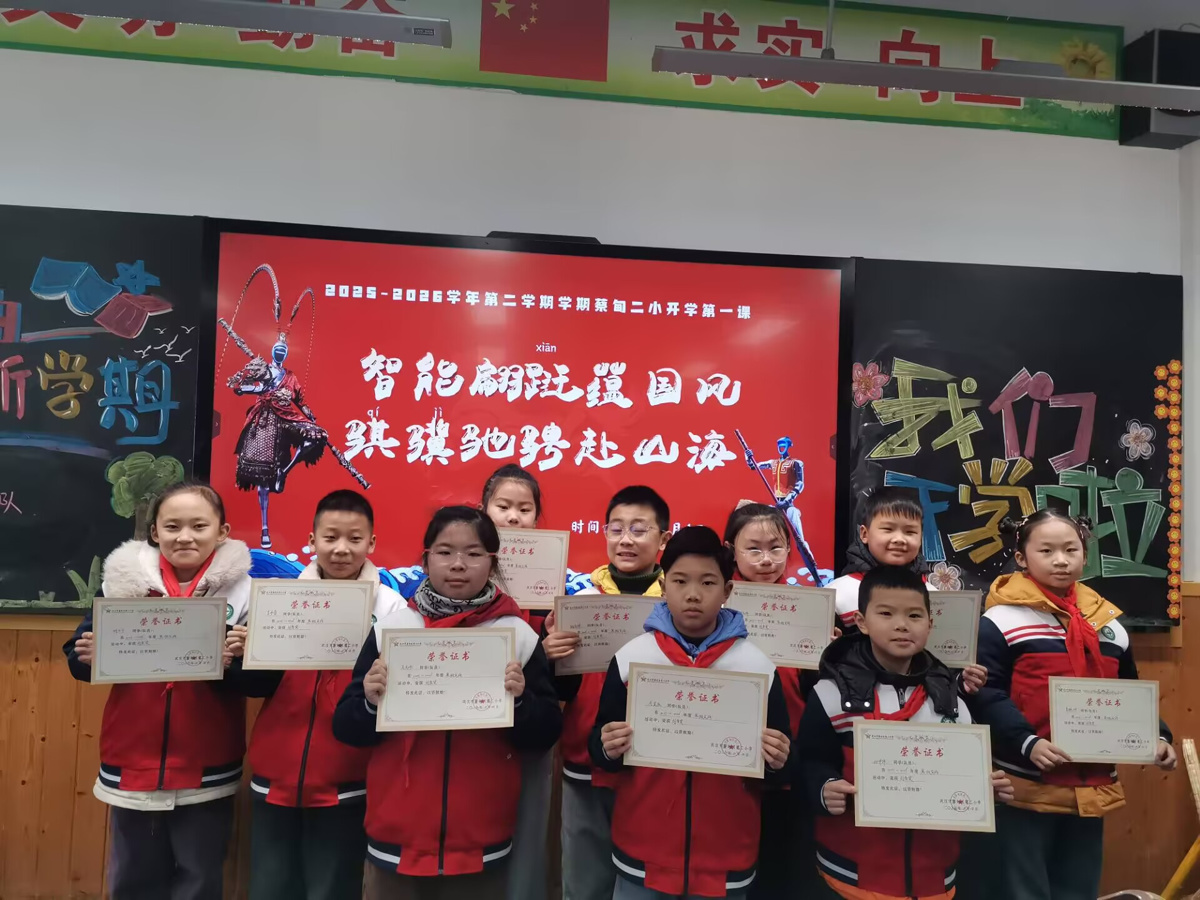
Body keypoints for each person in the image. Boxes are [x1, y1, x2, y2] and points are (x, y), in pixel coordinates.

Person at [332, 506, 562, 900]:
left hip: (481, 839)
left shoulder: (518, 636)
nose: (458, 564)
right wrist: (369, 701)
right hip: (396, 834)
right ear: (425, 560)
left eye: (473, 554)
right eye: (444, 552)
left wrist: (521, 702)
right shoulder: (392, 631)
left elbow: (545, 735)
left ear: (492, 563)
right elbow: (346, 726)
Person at [970, 510, 1176, 900]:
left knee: (1079, 890)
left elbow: (1128, 693)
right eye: (1046, 551)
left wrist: (1158, 735)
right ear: (1021, 557)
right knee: (1022, 891)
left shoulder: (1109, 623)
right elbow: (985, 693)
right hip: (1023, 784)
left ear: (1085, 555)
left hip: (1090, 785)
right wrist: (1027, 742)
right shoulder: (1000, 620)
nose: (1060, 560)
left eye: (1070, 549)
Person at [62, 481, 253, 900]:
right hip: (132, 757)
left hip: (207, 761)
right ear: (154, 533)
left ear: (222, 532)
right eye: (172, 526)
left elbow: (260, 683)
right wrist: (85, 655)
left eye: (199, 526)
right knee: (133, 877)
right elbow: (78, 657)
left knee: (200, 877)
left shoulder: (244, 594)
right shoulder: (122, 584)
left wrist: (235, 662)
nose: (185, 536)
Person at [590, 526, 792, 899]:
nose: (693, 594)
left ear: (727, 591)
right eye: (680, 581)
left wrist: (779, 760)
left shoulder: (757, 667)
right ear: (664, 585)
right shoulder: (632, 658)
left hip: (726, 856)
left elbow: (781, 765)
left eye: (708, 583)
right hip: (643, 851)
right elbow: (600, 750)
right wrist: (606, 746)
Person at [225, 490, 402, 900]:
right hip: (275, 772)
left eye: (354, 539)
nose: (341, 549)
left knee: (332, 888)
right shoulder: (278, 600)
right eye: (330, 537)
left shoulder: (392, 609)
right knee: (270, 886)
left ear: (372, 542)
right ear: (312, 540)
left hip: (348, 778)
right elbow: (256, 686)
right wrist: (244, 656)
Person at [796, 565, 1003, 900]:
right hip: (851, 873)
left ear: (930, 624)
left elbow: (964, 773)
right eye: (886, 613)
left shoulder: (951, 700)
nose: (902, 625)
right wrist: (824, 787)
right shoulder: (831, 695)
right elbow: (810, 760)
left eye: (914, 615)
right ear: (861, 621)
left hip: (934, 874)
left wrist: (984, 787)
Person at [546, 485, 670, 900]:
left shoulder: (679, 605)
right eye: (616, 529)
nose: (625, 540)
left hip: (654, 766)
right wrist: (551, 657)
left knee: (643, 883)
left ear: (663, 538)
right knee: (584, 882)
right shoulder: (579, 601)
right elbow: (561, 688)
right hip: (584, 761)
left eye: (639, 529)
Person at [722, 502, 819, 899]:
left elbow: (816, 691)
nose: (766, 560)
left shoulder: (809, 608)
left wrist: (826, 654)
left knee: (780, 869)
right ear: (731, 551)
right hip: (725, 759)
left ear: (789, 549)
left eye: (776, 548)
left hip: (786, 756)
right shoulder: (715, 605)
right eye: (753, 549)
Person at [480, 464, 553, 900]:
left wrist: (553, 648)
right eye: (503, 506)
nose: (513, 517)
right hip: (473, 725)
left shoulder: (555, 585)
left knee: (528, 829)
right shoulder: (462, 570)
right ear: (484, 510)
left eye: (524, 509)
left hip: (529, 720)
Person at [830, 487, 930, 635]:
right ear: (864, 534)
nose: (899, 539)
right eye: (888, 529)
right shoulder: (836, 594)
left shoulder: (935, 596)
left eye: (910, 532)